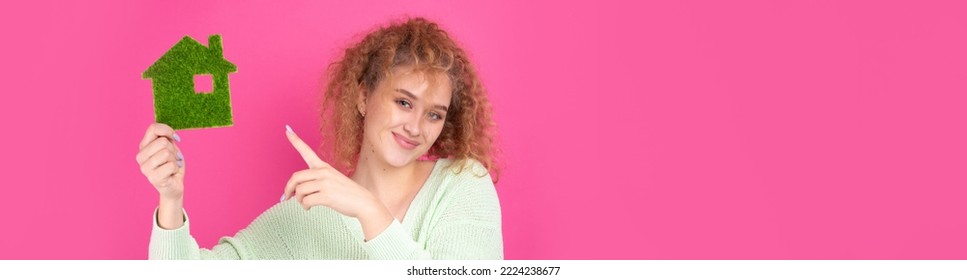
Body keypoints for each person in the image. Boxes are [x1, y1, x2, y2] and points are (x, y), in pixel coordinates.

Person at [135, 17, 502, 259]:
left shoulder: (461, 184)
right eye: (404, 102)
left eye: (434, 114)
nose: (416, 127)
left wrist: (368, 210)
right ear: (363, 97)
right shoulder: (304, 215)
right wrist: (171, 199)